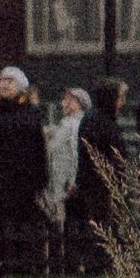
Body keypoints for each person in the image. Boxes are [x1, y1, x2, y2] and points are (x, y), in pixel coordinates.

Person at [0, 65, 50, 268]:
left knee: (20, 226)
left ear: (20, 87)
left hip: (21, 184)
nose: (4, 85)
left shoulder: (30, 113)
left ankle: (21, 264)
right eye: (2, 80)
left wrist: (39, 180)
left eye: (9, 81)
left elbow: (38, 149)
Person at [66, 75, 134, 272]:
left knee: (105, 225)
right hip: (99, 185)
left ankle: (103, 263)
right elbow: (97, 156)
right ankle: (101, 264)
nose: (123, 102)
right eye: (120, 97)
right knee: (102, 226)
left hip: (99, 183)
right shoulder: (98, 121)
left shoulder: (99, 119)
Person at [45, 86, 89, 231]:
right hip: (62, 185)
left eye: (69, 100)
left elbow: (76, 153)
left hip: (67, 187)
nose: (64, 103)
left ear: (79, 104)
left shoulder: (74, 124)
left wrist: (72, 181)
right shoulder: (68, 123)